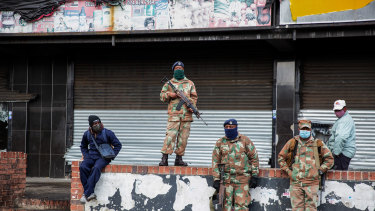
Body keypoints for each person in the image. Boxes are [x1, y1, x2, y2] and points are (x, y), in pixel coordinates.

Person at [278, 119, 334, 211]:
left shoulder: (318, 143)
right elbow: (281, 158)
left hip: (312, 183)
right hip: (296, 183)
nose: (305, 131)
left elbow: (330, 159)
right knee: (296, 209)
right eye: (303, 129)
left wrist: (319, 170)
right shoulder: (292, 142)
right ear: (299, 129)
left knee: (311, 209)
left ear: (310, 130)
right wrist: (288, 171)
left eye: (307, 129)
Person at [212, 119, 259, 210]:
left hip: (242, 180)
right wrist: (216, 179)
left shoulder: (245, 140)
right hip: (226, 181)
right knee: (226, 207)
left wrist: (254, 175)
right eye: (227, 127)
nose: (229, 129)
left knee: (242, 206)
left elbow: (254, 158)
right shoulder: (220, 142)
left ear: (236, 127)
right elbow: (215, 162)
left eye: (231, 127)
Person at [159, 61, 198, 166]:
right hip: (174, 115)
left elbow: (194, 97)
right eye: (176, 68)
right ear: (173, 70)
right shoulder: (169, 83)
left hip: (186, 116)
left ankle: (179, 159)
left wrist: (192, 107)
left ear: (183, 70)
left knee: (183, 138)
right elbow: (162, 96)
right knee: (170, 136)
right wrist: (170, 94)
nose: (179, 70)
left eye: (180, 68)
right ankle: (164, 158)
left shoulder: (190, 83)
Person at [79, 115, 122, 203]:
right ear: (91, 125)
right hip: (91, 156)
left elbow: (118, 145)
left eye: (98, 122)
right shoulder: (87, 134)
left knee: (96, 168)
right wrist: (86, 156)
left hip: (103, 157)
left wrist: (112, 155)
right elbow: (83, 146)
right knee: (83, 166)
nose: (97, 125)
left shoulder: (108, 133)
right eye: (95, 123)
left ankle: (86, 194)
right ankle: (90, 193)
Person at [327, 100, 356, 170]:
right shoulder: (342, 119)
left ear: (345, 109)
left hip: (341, 154)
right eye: (335, 110)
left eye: (339, 110)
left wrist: (336, 153)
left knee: (338, 177)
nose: (337, 112)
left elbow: (341, 137)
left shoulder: (344, 120)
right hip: (341, 153)